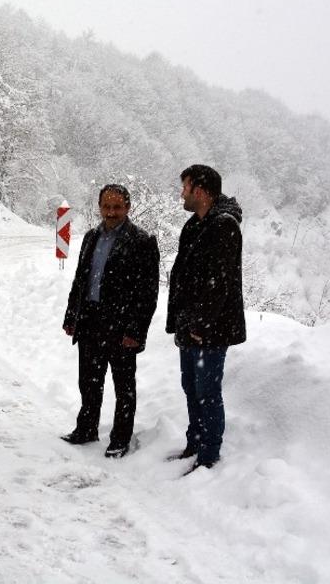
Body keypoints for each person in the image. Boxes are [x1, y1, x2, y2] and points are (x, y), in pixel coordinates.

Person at [62, 184, 160, 458]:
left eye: (117, 207)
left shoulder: (142, 241)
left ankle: (120, 438)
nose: (111, 212)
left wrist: (136, 331)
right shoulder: (91, 237)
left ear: (128, 207)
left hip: (121, 327)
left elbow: (147, 293)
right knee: (89, 381)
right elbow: (80, 280)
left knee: (123, 387)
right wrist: (72, 315)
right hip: (90, 320)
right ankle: (87, 428)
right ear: (99, 207)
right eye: (106, 206)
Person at [166, 164, 245, 473]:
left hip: (211, 329)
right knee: (190, 385)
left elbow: (220, 283)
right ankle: (195, 443)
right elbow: (183, 276)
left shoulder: (224, 225)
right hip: (190, 325)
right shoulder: (193, 225)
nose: (181, 193)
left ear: (199, 190)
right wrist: (180, 320)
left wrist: (202, 324)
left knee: (207, 391)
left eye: (184, 187)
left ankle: (209, 455)